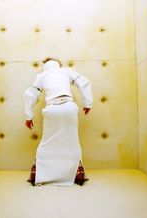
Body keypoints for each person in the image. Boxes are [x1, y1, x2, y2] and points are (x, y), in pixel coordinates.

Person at [23, 57, 93, 186]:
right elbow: (84, 83)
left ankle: (37, 174)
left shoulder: (42, 75)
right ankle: (78, 175)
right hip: (69, 108)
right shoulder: (66, 71)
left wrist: (29, 117)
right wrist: (88, 103)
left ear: (45, 66)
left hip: (52, 110)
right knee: (72, 142)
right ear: (58, 65)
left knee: (47, 142)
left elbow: (30, 94)